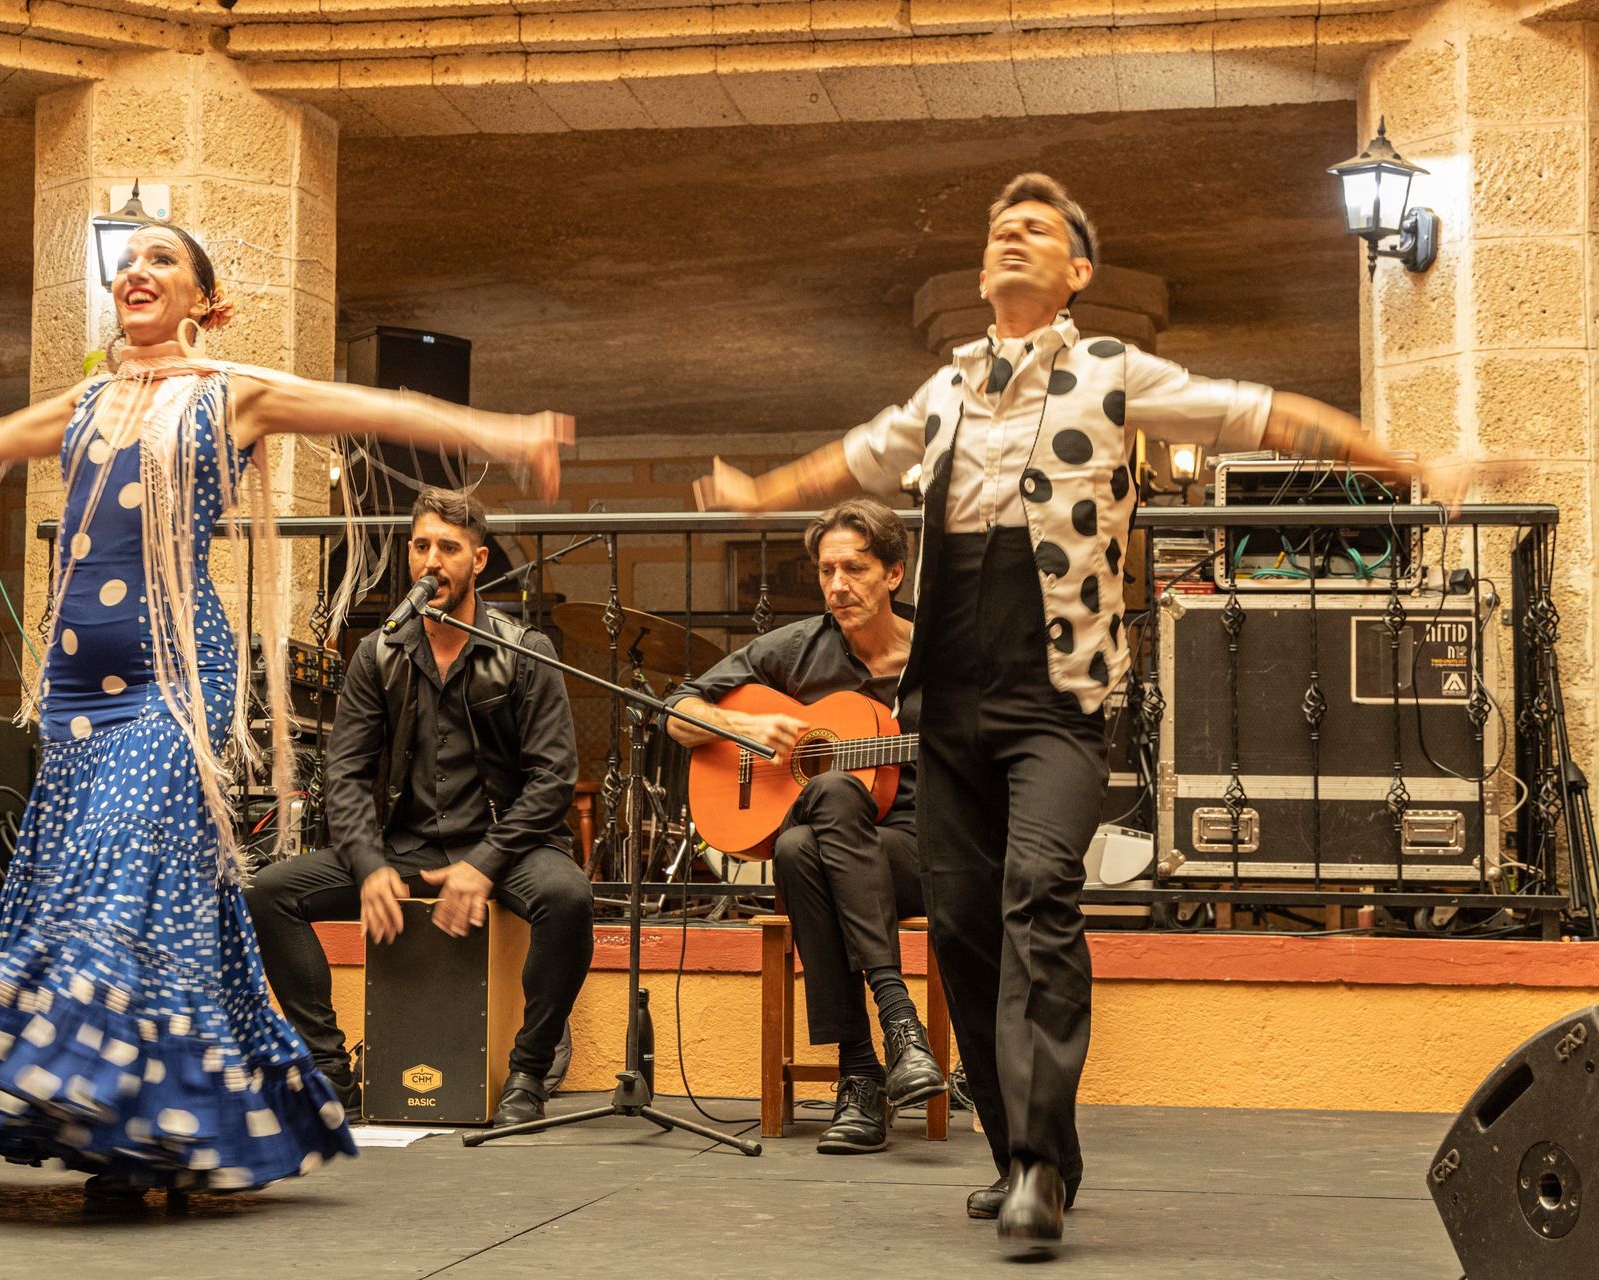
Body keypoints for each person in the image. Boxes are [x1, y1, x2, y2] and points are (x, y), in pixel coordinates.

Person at [693, 174, 1451, 1253]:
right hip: (948, 701)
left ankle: (1041, 1165)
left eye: (1036, 228)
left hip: (1056, 701)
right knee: (959, 927)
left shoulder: (1113, 370)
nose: (1010, 236)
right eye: (999, 226)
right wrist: (759, 493)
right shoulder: (946, 391)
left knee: (1037, 888)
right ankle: (1020, 1150)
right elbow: (855, 458)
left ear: (1076, 272)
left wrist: (1411, 462)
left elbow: (1261, 410)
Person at [0, 223, 572, 1197]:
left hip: (169, 677)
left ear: (205, 299)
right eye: (131, 264)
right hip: (78, 690)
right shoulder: (89, 401)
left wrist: (506, 433)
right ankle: (152, 1122)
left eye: (163, 261)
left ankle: (131, 1112)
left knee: (122, 860)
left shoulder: (229, 391)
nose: (138, 273)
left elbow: (371, 406)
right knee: (110, 885)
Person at [246, 487, 592, 1129]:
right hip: (408, 848)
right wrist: (369, 862)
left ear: (479, 560)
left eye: (449, 548)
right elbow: (345, 775)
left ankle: (528, 1071)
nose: (432, 560)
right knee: (270, 891)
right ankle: (329, 1073)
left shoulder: (523, 651)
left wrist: (486, 862)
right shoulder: (379, 654)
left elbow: (552, 780)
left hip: (508, 848)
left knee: (568, 898)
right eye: (421, 545)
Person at [665, 498, 944, 1154]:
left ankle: (860, 1076)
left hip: (920, 851)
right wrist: (745, 726)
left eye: (855, 568)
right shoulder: (798, 648)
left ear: (895, 575)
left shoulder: (943, 655)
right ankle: (893, 1033)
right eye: (826, 571)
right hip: (838, 848)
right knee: (811, 826)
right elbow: (676, 711)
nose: (837, 586)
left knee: (799, 843)